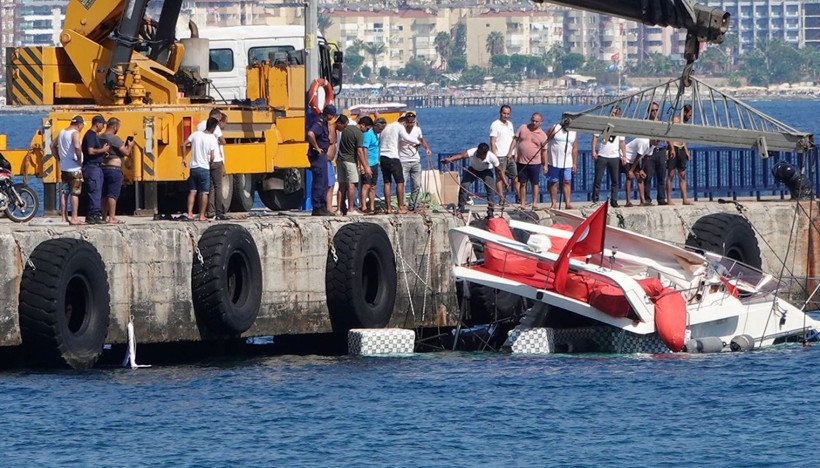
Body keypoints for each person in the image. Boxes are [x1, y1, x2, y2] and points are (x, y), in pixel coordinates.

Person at [441, 142, 506, 216]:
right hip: (473, 169)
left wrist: (506, 183)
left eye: (480, 154)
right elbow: (461, 156)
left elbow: (500, 170)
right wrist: (449, 159)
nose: (478, 155)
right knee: (464, 186)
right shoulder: (473, 151)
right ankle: (461, 207)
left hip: (486, 171)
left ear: (485, 154)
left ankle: (490, 211)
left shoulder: (492, 157)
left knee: (490, 189)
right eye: (478, 152)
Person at [98, 117, 135, 224]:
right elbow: (126, 152)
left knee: (103, 194)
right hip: (114, 169)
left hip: (102, 167)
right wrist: (130, 146)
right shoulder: (114, 139)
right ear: (115, 127)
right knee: (112, 194)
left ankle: (103, 216)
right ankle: (112, 217)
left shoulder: (100, 137)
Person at [51, 115, 85, 225]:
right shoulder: (75, 133)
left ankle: (64, 217)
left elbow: (52, 146)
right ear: (79, 124)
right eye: (82, 126)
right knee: (75, 193)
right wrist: (79, 159)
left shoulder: (62, 132)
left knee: (64, 192)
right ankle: (74, 217)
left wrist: (58, 158)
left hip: (64, 167)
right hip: (74, 168)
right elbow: (77, 147)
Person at [183, 117, 219, 221]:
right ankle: (202, 215)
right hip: (204, 168)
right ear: (213, 127)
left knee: (192, 191)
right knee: (204, 192)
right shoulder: (212, 138)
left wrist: (184, 158)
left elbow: (184, 144)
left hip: (193, 167)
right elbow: (212, 155)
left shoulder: (196, 134)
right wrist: (210, 162)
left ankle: (189, 214)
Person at [591, 107, 625, 207]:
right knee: (598, 179)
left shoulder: (620, 127)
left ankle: (614, 200)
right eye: (613, 113)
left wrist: (624, 155)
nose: (614, 115)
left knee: (615, 180)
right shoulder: (603, 124)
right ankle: (595, 199)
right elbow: (595, 137)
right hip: (602, 155)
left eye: (617, 113)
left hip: (614, 156)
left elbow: (622, 142)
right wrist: (593, 151)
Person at [197, 109, 228, 220]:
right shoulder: (216, 127)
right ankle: (219, 211)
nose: (220, 121)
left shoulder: (199, 125)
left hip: (203, 159)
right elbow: (223, 141)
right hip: (215, 159)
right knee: (218, 186)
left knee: (208, 187)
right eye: (219, 119)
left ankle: (210, 211)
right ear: (215, 117)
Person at [398, 110, 431, 211]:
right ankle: (402, 205)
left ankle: (412, 205)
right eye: (409, 122)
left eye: (413, 122)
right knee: (402, 184)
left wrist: (427, 148)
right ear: (405, 122)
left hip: (416, 161)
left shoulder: (417, 130)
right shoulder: (400, 131)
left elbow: (421, 140)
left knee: (416, 184)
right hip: (403, 161)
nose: (411, 124)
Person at [514, 112, 548, 210]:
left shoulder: (543, 135)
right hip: (521, 161)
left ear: (540, 122)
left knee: (535, 183)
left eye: (536, 121)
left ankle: (534, 203)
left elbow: (544, 151)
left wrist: (545, 164)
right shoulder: (523, 128)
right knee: (522, 183)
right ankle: (523, 203)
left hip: (535, 163)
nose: (534, 123)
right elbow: (515, 140)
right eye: (532, 120)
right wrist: (513, 152)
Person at [306, 105, 336, 216]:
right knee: (320, 182)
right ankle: (318, 208)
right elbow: (310, 133)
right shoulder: (319, 123)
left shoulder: (323, 123)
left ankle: (322, 207)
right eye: (331, 115)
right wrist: (317, 147)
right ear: (328, 114)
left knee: (324, 182)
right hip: (318, 155)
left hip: (322, 155)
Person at [81, 114, 111, 224]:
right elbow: (90, 151)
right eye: (102, 124)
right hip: (92, 167)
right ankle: (94, 215)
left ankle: (92, 214)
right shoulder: (90, 135)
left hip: (96, 166)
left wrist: (102, 153)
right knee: (95, 191)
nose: (103, 126)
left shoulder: (94, 135)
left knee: (97, 191)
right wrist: (102, 150)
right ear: (97, 124)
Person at [337, 113, 369, 215]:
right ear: (362, 125)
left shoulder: (347, 129)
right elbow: (359, 151)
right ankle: (351, 209)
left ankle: (339, 209)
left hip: (340, 159)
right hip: (350, 161)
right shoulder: (359, 134)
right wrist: (366, 167)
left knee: (341, 185)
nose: (366, 131)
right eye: (367, 129)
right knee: (351, 184)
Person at [545, 119, 577, 210]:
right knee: (554, 182)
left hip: (567, 162)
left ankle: (567, 203)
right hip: (554, 161)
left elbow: (574, 148)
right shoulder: (555, 128)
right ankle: (554, 203)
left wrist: (574, 163)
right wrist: (545, 159)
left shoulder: (573, 132)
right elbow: (545, 141)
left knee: (566, 182)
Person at [379, 115, 407, 214]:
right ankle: (400, 207)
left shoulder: (386, 128)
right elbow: (406, 138)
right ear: (403, 122)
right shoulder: (399, 127)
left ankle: (388, 208)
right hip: (393, 157)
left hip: (383, 157)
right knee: (400, 182)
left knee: (387, 182)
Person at [490, 105, 517, 204]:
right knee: (500, 178)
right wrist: (494, 156)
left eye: (508, 114)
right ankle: (501, 199)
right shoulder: (495, 125)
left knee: (515, 177)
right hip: (500, 155)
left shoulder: (510, 124)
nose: (506, 115)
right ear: (500, 113)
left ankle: (519, 197)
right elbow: (492, 141)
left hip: (510, 155)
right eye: (504, 113)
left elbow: (512, 139)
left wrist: (515, 152)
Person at [643, 102, 668, 205]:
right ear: (649, 111)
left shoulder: (662, 123)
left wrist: (669, 149)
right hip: (649, 152)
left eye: (656, 110)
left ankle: (661, 198)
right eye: (653, 110)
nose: (654, 112)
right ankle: (647, 199)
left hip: (661, 151)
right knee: (647, 177)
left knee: (661, 177)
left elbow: (667, 137)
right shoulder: (645, 123)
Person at [666, 115, 693, 205]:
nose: (690, 116)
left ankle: (684, 198)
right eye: (689, 114)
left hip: (681, 148)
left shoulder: (684, 122)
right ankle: (669, 198)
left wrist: (686, 151)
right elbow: (669, 134)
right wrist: (671, 148)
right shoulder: (675, 120)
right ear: (684, 112)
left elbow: (683, 138)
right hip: (674, 147)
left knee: (682, 175)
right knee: (671, 174)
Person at [622, 137, 655, 207]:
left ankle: (643, 200)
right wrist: (631, 170)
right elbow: (638, 157)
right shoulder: (644, 142)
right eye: (657, 141)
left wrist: (641, 169)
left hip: (634, 159)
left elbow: (646, 157)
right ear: (652, 139)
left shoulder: (653, 145)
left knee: (640, 177)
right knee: (629, 177)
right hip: (628, 157)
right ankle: (628, 201)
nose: (657, 143)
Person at [358, 116, 379, 213]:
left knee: (373, 186)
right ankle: (363, 206)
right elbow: (364, 150)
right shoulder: (367, 134)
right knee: (366, 185)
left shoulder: (375, 134)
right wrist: (365, 166)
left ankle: (372, 207)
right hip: (368, 163)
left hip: (375, 163)